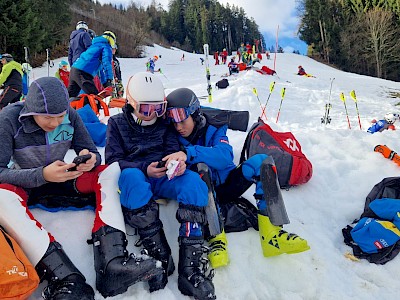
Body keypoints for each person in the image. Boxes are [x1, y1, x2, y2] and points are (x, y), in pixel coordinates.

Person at [0, 77, 162, 299]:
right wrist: (42, 174)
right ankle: (66, 279)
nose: (56, 123)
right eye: (48, 117)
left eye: (60, 116)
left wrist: (88, 159)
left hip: (62, 179)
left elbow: (91, 151)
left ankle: (112, 263)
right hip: (25, 184)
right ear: (30, 111)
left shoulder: (70, 115)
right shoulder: (8, 119)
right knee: (1, 196)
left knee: (110, 170)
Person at [165, 88, 310, 265]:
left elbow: (224, 156)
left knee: (263, 162)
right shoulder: (171, 136)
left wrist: (190, 153)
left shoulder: (215, 126)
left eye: (182, 119)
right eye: (173, 121)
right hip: (202, 191)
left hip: (228, 184)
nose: (178, 127)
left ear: (194, 114)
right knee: (201, 169)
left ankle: (272, 234)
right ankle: (217, 239)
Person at [105, 72, 216, 300]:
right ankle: (158, 255)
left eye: (159, 108)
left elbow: (172, 148)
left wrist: (177, 163)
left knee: (194, 183)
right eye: (147, 109)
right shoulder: (116, 124)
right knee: (131, 178)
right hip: (138, 177)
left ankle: (190, 267)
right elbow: (113, 160)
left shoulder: (164, 123)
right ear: (132, 102)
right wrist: (144, 167)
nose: (153, 115)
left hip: (163, 176)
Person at [68, 30, 116, 98]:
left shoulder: (94, 46)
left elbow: (101, 69)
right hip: (83, 72)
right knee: (94, 98)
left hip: (74, 70)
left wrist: (105, 83)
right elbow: (107, 63)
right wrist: (109, 79)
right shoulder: (106, 46)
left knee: (70, 98)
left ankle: (65, 108)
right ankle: (84, 107)